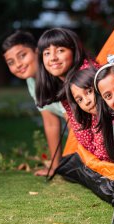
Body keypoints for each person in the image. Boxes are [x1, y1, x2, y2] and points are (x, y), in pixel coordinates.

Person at [35, 28, 106, 160]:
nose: (53, 58)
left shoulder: (85, 77)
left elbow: (102, 123)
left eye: (60, 51)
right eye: (47, 53)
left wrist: (101, 161)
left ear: (74, 51)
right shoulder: (65, 82)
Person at [2, 31, 65, 176]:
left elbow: (75, 123)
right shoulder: (31, 81)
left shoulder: (56, 73)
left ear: (37, 52)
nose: (18, 64)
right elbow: (50, 122)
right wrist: (55, 167)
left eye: (22, 55)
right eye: (11, 62)